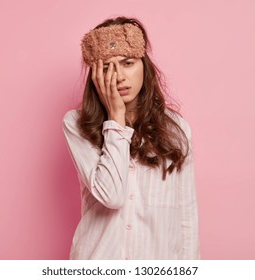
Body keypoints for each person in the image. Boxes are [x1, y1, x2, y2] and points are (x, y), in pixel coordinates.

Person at [62, 16, 200, 260]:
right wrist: (115, 118)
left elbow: (186, 216)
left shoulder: (177, 129)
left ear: (144, 66)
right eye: (106, 67)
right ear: (94, 77)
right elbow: (112, 197)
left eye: (128, 63)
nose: (118, 76)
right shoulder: (76, 125)